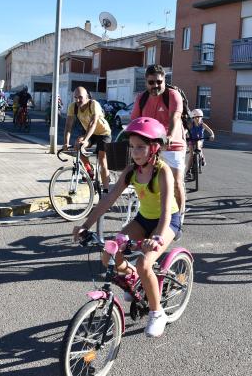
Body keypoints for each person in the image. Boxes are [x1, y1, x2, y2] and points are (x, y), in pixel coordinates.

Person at [73, 117, 180, 338]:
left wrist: (157, 238)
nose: (135, 152)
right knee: (108, 255)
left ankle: (157, 312)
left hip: (167, 221)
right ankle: (136, 279)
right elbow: (108, 199)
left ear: (154, 147)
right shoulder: (131, 171)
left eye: (141, 147)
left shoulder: (163, 172)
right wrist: (84, 226)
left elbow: (166, 209)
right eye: (132, 147)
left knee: (144, 263)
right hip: (143, 219)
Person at [131, 64, 186, 217]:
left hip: (173, 144)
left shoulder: (173, 95)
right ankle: (151, 215)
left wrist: (169, 136)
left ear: (164, 80)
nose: (155, 85)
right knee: (146, 182)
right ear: (145, 82)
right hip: (150, 146)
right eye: (151, 82)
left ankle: (178, 220)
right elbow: (135, 120)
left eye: (159, 82)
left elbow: (175, 116)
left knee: (176, 184)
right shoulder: (141, 98)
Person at [62, 87, 112, 192]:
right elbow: (68, 126)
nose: (77, 100)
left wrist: (85, 139)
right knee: (77, 145)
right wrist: (65, 143)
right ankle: (89, 169)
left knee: (102, 159)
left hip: (103, 133)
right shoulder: (73, 107)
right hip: (90, 133)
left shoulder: (94, 104)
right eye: (75, 97)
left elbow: (93, 123)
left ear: (87, 97)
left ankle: (106, 190)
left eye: (80, 97)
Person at [186, 109, 215, 177]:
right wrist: (184, 136)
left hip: (199, 140)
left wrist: (212, 135)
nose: (198, 119)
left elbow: (210, 131)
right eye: (196, 117)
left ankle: (201, 157)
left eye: (199, 117)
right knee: (191, 155)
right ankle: (188, 171)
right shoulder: (191, 125)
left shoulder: (203, 125)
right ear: (193, 118)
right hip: (191, 140)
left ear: (201, 117)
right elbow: (186, 131)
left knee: (199, 145)